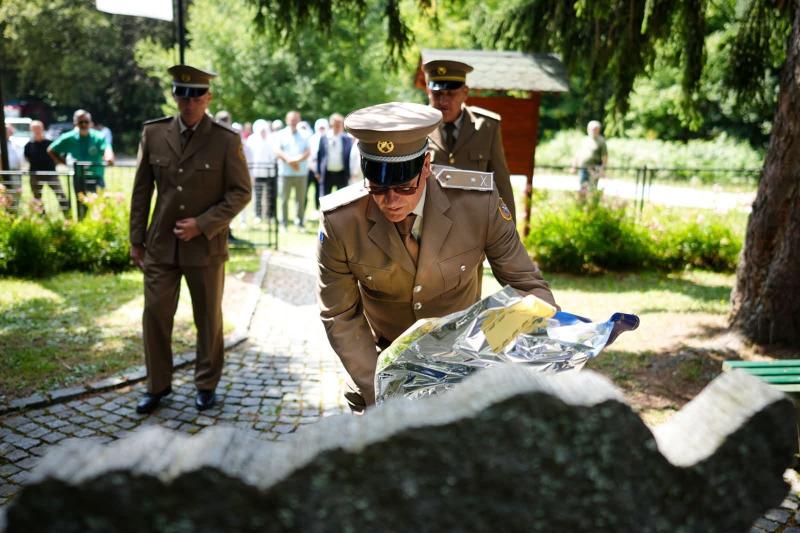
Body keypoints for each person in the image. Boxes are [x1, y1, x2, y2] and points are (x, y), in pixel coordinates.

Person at [316, 102, 557, 412]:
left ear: (426, 166)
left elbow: (529, 286)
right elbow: (339, 314)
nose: (390, 201)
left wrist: (498, 350)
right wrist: (383, 388)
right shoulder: (341, 221)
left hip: (465, 367)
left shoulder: (477, 205)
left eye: (404, 185)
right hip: (380, 365)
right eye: (377, 186)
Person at [129, 65, 252, 414]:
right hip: (161, 246)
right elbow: (141, 192)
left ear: (208, 97)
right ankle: (157, 386)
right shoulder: (154, 134)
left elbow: (241, 192)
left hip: (206, 246)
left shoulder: (225, 140)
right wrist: (136, 239)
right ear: (174, 96)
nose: (189, 102)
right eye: (182, 94)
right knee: (154, 314)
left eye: (196, 95)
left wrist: (203, 223)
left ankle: (206, 383)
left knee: (208, 319)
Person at [423, 59, 516, 222]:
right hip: (429, 223)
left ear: (465, 92)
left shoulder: (486, 127)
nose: (443, 102)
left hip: (474, 224)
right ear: (428, 91)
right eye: (437, 94)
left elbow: (501, 184)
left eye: (451, 94)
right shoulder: (417, 128)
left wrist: (509, 230)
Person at [47, 109, 114, 218]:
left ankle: (101, 228)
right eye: (80, 122)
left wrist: (109, 157)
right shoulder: (68, 137)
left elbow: (107, 149)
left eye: (86, 122)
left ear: (90, 122)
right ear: (75, 123)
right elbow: (51, 150)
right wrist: (63, 163)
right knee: (82, 207)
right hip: (79, 177)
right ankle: (82, 227)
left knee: (101, 205)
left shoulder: (98, 136)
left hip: (96, 176)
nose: (83, 124)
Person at [274, 110, 310, 229]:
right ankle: (283, 223)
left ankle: (299, 222)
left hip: (301, 173)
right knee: (284, 200)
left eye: (296, 119)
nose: (293, 121)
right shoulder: (280, 134)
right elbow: (277, 151)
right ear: (286, 120)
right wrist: (289, 160)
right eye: (291, 119)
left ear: (299, 120)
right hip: (285, 173)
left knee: (300, 199)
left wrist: (296, 161)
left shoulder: (305, 134)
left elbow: (308, 152)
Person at [24, 120, 68, 213]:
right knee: (37, 197)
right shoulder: (28, 145)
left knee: (60, 194)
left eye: (38, 128)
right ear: (31, 130)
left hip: (51, 173)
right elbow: (27, 158)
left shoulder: (50, 143)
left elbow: (58, 156)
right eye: (34, 128)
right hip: (35, 174)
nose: (37, 130)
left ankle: (67, 214)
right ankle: (41, 216)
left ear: (42, 128)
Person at [245, 118, 276, 221]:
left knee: (269, 194)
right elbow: (248, 157)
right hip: (257, 172)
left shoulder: (271, 139)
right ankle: (258, 214)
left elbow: (273, 155)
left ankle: (270, 215)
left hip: (269, 172)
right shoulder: (252, 139)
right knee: (257, 194)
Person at [317, 113, 354, 196]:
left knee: (342, 199)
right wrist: (318, 172)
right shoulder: (324, 138)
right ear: (331, 124)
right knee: (325, 198)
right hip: (327, 173)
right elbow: (320, 155)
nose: (337, 126)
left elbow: (350, 157)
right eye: (335, 124)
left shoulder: (347, 139)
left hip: (342, 173)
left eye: (339, 124)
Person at [573, 120, 608, 194]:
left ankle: (591, 204)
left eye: (595, 129)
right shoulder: (584, 140)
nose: (593, 131)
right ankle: (582, 204)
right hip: (583, 168)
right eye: (591, 129)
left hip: (594, 168)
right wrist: (574, 166)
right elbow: (577, 154)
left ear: (598, 130)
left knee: (592, 188)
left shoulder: (601, 141)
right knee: (582, 188)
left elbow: (604, 157)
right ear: (588, 129)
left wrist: (602, 169)